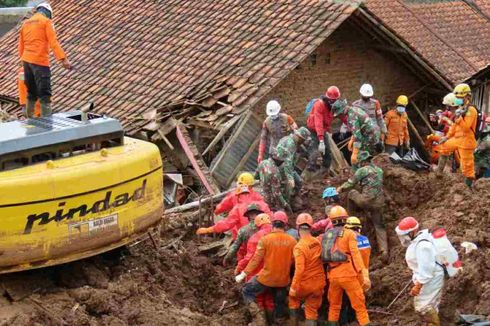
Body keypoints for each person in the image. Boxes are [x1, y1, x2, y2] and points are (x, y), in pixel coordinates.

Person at [236, 209, 297, 324]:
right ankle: (279, 320)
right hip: (283, 280)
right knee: (279, 302)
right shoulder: (292, 241)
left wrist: (243, 273)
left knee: (247, 291)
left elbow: (255, 260)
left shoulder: (265, 240)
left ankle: (258, 318)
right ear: (285, 224)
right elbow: (294, 261)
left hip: (266, 278)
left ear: (273, 223)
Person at [18, 2, 71, 118]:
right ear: (48, 13)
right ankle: (47, 120)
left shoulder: (25, 24)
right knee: (45, 93)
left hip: (26, 62)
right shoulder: (46, 22)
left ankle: (29, 118)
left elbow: (21, 47)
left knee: (31, 93)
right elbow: (53, 42)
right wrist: (63, 59)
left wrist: (25, 62)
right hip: (40, 62)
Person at [322, 206, 371, 326]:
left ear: (332, 220)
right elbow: (356, 256)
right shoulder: (349, 234)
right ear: (345, 219)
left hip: (332, 276)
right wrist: (363, 276)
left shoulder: (327, 235)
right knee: (360, 307)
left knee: (334, 307)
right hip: (348, 274)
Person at [337, 151, 388, 261]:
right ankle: (384, 250)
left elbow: (350, 183)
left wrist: (340, 189)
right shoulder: (379, 170)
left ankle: (350, 217)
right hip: (379, 203)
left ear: (362, 162)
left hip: (365, 201)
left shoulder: (362, 170)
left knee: (351, 193)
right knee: (379, 226)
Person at [395, 217, 445, 326]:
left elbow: (426, 269)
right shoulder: (419, 240)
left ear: (413, 232)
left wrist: (418, 285)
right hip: (428, 277)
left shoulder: (423, 246)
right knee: (430, 305)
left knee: (423, 307)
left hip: (430, 278)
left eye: (404, 235)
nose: (403, 238)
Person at [235, 213, 274, 325]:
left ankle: (261, 323)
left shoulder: (255, 237)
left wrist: (239, 267)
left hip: (257, 274)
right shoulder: (278, 235)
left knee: (259, 299)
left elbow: (249, 257)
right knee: (269, 299)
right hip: (275, 274)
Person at [437, 83, 478, 187]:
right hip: (457, 138)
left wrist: (458, 118)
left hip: (467, 140)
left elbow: (466, 127)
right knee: (444, 146)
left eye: (461, 97)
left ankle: (467, 186)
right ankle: (438, 174)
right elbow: (454, 126)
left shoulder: (471, 110)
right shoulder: (461, 109)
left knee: (467, 166)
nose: (459, 99)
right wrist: (446, 137)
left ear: (468, 96)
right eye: (457, 97)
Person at [289, 213, 326, 326]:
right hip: (319, 283)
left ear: (297, 227)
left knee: (293, 299)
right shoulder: (317, 242)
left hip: (305, 284)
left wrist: (293, 287)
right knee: (311, 310)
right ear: (311, 227)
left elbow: (299, 270)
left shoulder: (299, 247)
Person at [340, 216, 372, 325]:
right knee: (359, 301)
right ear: (359, 228)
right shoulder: (365, 240)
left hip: (351, 274)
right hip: (364, 274)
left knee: (345, 300)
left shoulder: (348, 241)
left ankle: (346, 321)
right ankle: (355, 320)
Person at [331, 99, 381, 167]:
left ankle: (366, 170)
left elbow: (358, 138)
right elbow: (358, 129)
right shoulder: (354, 109)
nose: (339, 117)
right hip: (374, 132)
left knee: (360, 158)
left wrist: (355, 153)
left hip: (370, 137)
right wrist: (352, 138)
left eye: (339, 114)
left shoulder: (352, 117)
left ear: (343, 111)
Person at [305, 86, 341, 178]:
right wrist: (321, 140)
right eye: (332, 100)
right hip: (313, 129)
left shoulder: (333, 107)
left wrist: (329, 130)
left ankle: (325, 171)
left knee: (327, 151)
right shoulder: (319, 105)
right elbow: (318, 123)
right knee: (314, 152)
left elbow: (329, 119)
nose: (334, 102)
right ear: (328, 98)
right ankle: (310, 175)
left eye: (335, 100)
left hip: (323, 130)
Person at [195, 200, 271, 241]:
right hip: (266, 240)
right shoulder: (261, 202)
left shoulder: (238, 207)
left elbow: (226, 224)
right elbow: (271, 219)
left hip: (244, 241)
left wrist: (209, 229)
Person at [275, 127, 311, 208]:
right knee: (289, 186)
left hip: (285, 167)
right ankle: (286, 204)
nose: (303, 142)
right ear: (299, 137)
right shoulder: (291, 144)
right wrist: (290, 178)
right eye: (302, 140)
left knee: (299, 182)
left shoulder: (288, 139)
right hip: (281, 168)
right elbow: (287, 162)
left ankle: (294, 198)